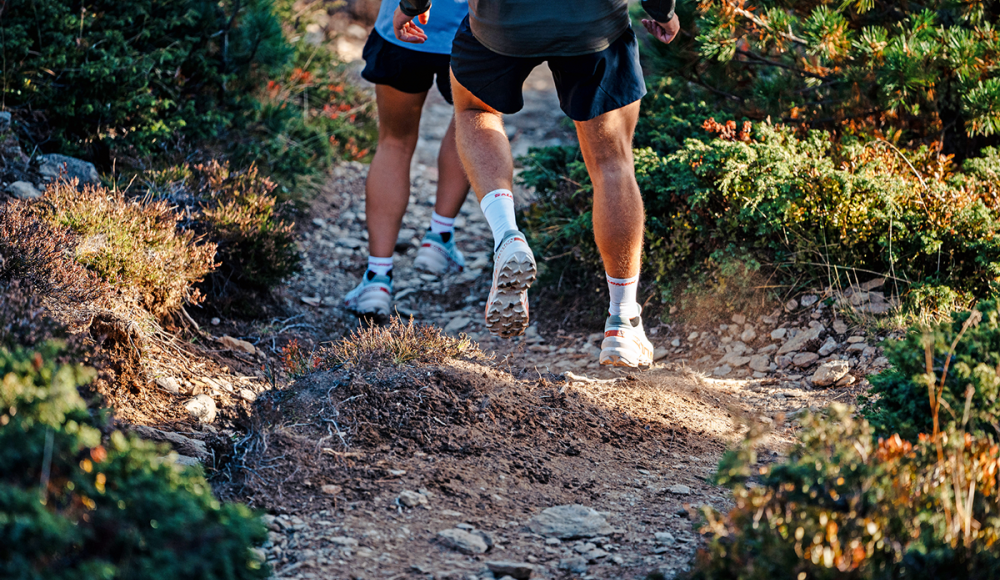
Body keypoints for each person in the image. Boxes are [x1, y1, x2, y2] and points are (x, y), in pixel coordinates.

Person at [392, 0, 680, 367]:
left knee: (475, 111)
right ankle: (623, 321)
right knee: (612, 162)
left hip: (500, 26)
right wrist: (663, 11)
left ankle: (507, 235)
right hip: (594, 24)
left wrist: (412, 5)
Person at [343, 0, 472, 318]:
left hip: (403, 24)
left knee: (393, 143)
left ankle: (377, 280)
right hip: (475, 31)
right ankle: (439, 238)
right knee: (471, 128)